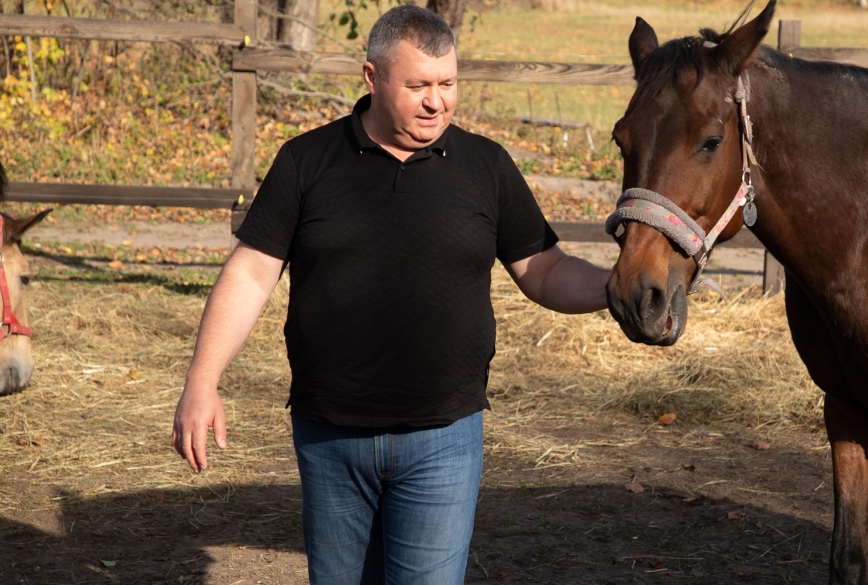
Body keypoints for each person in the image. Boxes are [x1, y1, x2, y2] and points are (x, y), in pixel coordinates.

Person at [171, 5, 610, 584]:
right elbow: (251, 272)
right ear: (372, 78)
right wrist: (202, 382)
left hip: (445, 438)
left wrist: (615, 288)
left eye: (448, 84)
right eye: (419, 86)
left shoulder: (486, 165)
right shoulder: (308, 161)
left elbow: (544, 268)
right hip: (330, 436)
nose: (437, 102)